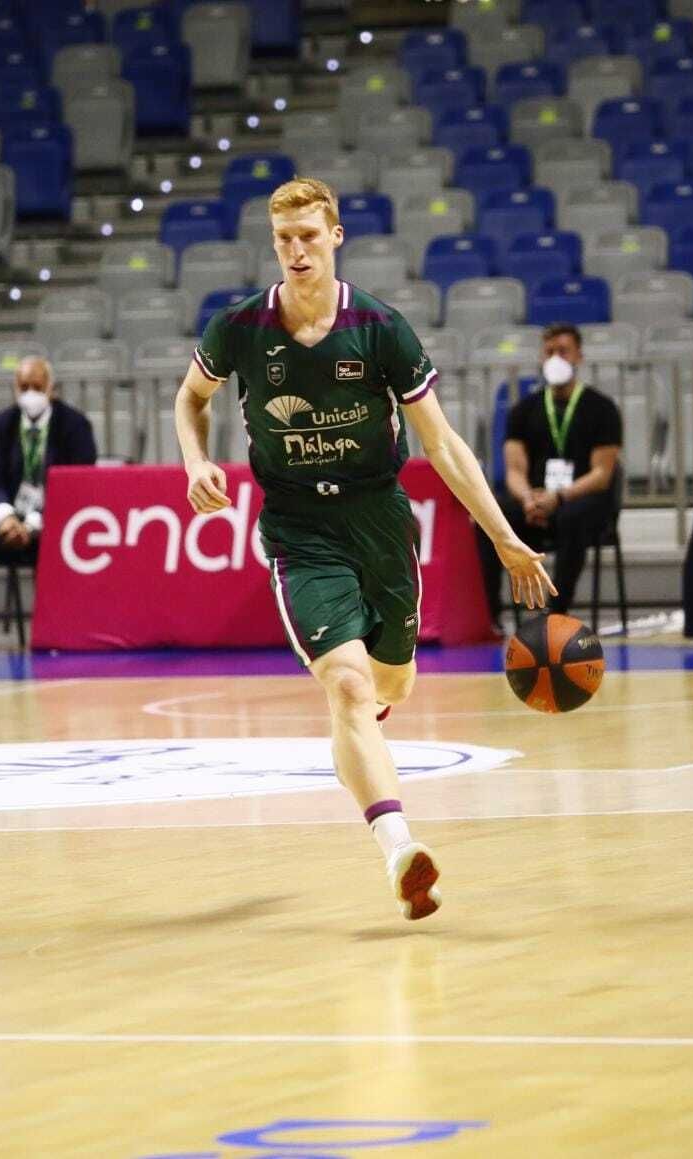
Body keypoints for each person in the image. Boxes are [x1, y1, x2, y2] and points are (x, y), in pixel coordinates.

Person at [175, 177, 555, 921]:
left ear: (336, 236)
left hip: (379, 519)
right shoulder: (241, 328)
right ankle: (400, 847)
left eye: (309, 235)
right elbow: (191, 398)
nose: (296, 250)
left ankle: (366, 723)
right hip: (297, 531)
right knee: (348, 685)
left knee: (394, 684)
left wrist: (505, 538)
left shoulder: (381, 328)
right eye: (284, 239)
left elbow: (440, 444)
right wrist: (195, 459)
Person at [477, 323, 623, 620]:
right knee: (489, 518)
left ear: (578, 356)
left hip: (581, 501)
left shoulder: (602, 408)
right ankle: (490, 615)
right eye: (550, 352)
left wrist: (559, 497)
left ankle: (556, 611)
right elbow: (514, 468)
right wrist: (528, 498)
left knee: (573, 516)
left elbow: (602, 475)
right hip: (537, 501)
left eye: (563, 351)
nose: (556, 358)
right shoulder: (523, 409)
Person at [0, 356, 97, 641]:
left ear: (50, 388)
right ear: (15, 389)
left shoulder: (75, 425)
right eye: (24, 386)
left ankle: (60, 628)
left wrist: (34, 524)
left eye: (37, 385)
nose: (30, 393)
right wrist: (5, 516)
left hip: (56, 518)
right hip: (11, 519)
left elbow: (78, 487)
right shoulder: (4, 423)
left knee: (67, 527)